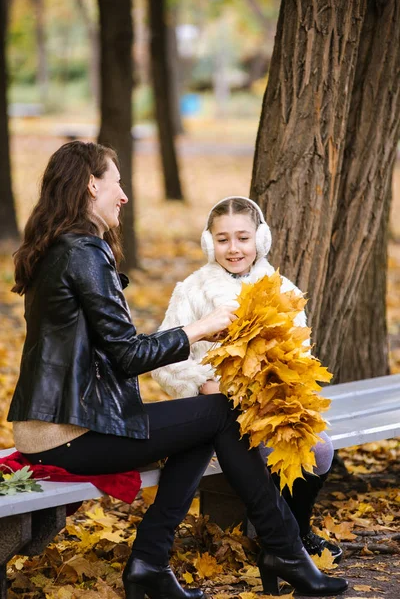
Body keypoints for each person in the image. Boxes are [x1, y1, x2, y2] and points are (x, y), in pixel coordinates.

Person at [8, 142, 347, 599]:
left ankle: (151, 563)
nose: (123, 195)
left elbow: (105, 353)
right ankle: (283, 548)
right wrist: (201, 328)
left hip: (58, 426)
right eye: (117, 181)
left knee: (202, 422)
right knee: (222, 413)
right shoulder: (83, 252)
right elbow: (129, 355)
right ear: (92, 184)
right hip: (68, 433)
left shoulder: (60, 248)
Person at [152, 196, 342, 562]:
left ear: (261, 239)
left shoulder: (281, 288)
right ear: (209, 242)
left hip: (269, 406)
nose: (233, 248)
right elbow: (164, 359)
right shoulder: (191, 290)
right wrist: (203, 385)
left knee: (318, 448)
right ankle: (281, 543)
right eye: (222, 239)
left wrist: (279, 390)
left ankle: (297, 534)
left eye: (243, 238)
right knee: (248, 455)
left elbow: (299, 355)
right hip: (212, 409)